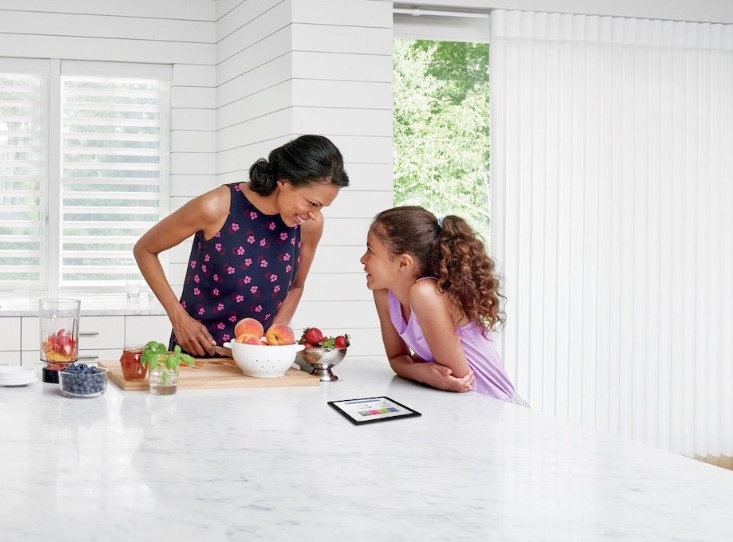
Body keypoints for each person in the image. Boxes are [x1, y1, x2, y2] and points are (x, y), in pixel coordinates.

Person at [134, 135, 349, 357]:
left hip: (259, 359)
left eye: (322, 207)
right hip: (197, 354)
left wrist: (272, 339)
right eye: (311, 203)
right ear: (284, 181)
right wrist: (179, 318)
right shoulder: (217, 206)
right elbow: (145, 250)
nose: (314, 214)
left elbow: (296, 286)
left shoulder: (309, 225)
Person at [361, 205, 524, 404]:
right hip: (462, 410)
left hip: (499, 408)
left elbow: (458, 381)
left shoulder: (426, 294)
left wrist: (420, 369)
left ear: (403, 263)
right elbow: (397, 359)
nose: (363, 259)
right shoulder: (384, 293)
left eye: (370, 250)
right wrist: (423, 372)